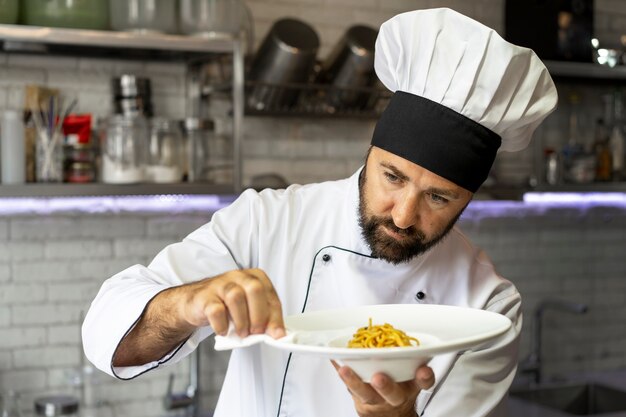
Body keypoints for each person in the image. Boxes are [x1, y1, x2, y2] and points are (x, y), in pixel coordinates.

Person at [83, 8, 558, 417]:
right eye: (392, 178)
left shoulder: (489, 306)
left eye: (439, 197)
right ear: (369, 154)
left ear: (470, 198)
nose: (404, 216)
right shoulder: (268, 221)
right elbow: (109, 337)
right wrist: (188, 301)